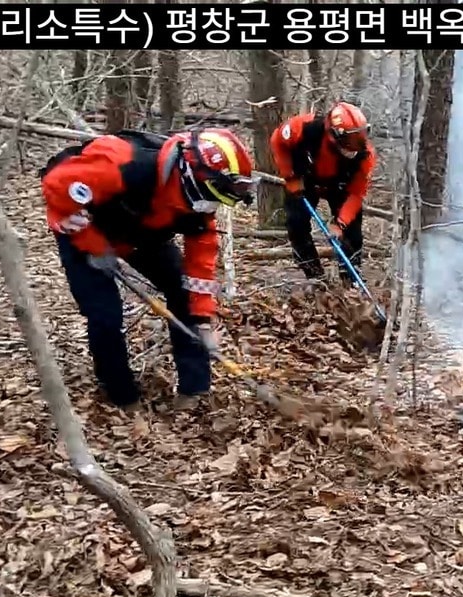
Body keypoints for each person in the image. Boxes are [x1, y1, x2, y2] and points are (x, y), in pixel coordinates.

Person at [39, 128, 256, 411]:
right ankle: (121, 394)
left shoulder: (200, 207)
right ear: (195, 178)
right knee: (105, 314)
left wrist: (203, 319)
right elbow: (56, 186)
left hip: (143, 235)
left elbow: (200, 267)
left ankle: (194, 388)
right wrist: (94, 245)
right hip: (84, 228)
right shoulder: (121, 163)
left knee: (183, 292)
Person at [269, 101, 377, 281]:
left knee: (352, 232)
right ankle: (314, 276)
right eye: (350, 140)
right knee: (296, 223)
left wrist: (340, 224)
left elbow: (356, 194)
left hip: (340, 185)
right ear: (335, 134)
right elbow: (277, 140)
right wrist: (290, 176)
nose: (354, 146)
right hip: (305, 178)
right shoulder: (304, 128)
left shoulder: (364, 156)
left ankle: (350, 280)